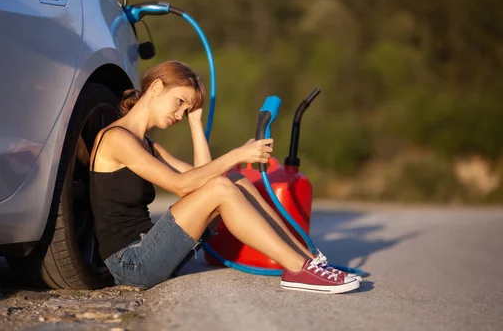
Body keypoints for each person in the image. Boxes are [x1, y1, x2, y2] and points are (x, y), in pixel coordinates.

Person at [89, 60, 360, 294]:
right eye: (180, 102)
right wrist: (238, 154)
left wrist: (196, 123)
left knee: (233, 180)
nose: (180, 114)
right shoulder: (116, 139)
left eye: (186, 109)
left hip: (150, 250)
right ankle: (298, 269)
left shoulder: (148, 145)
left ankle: (308, 260)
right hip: (131, 262)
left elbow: (203, 179)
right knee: (222, 184)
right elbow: (180, 185)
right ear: (157, 88)